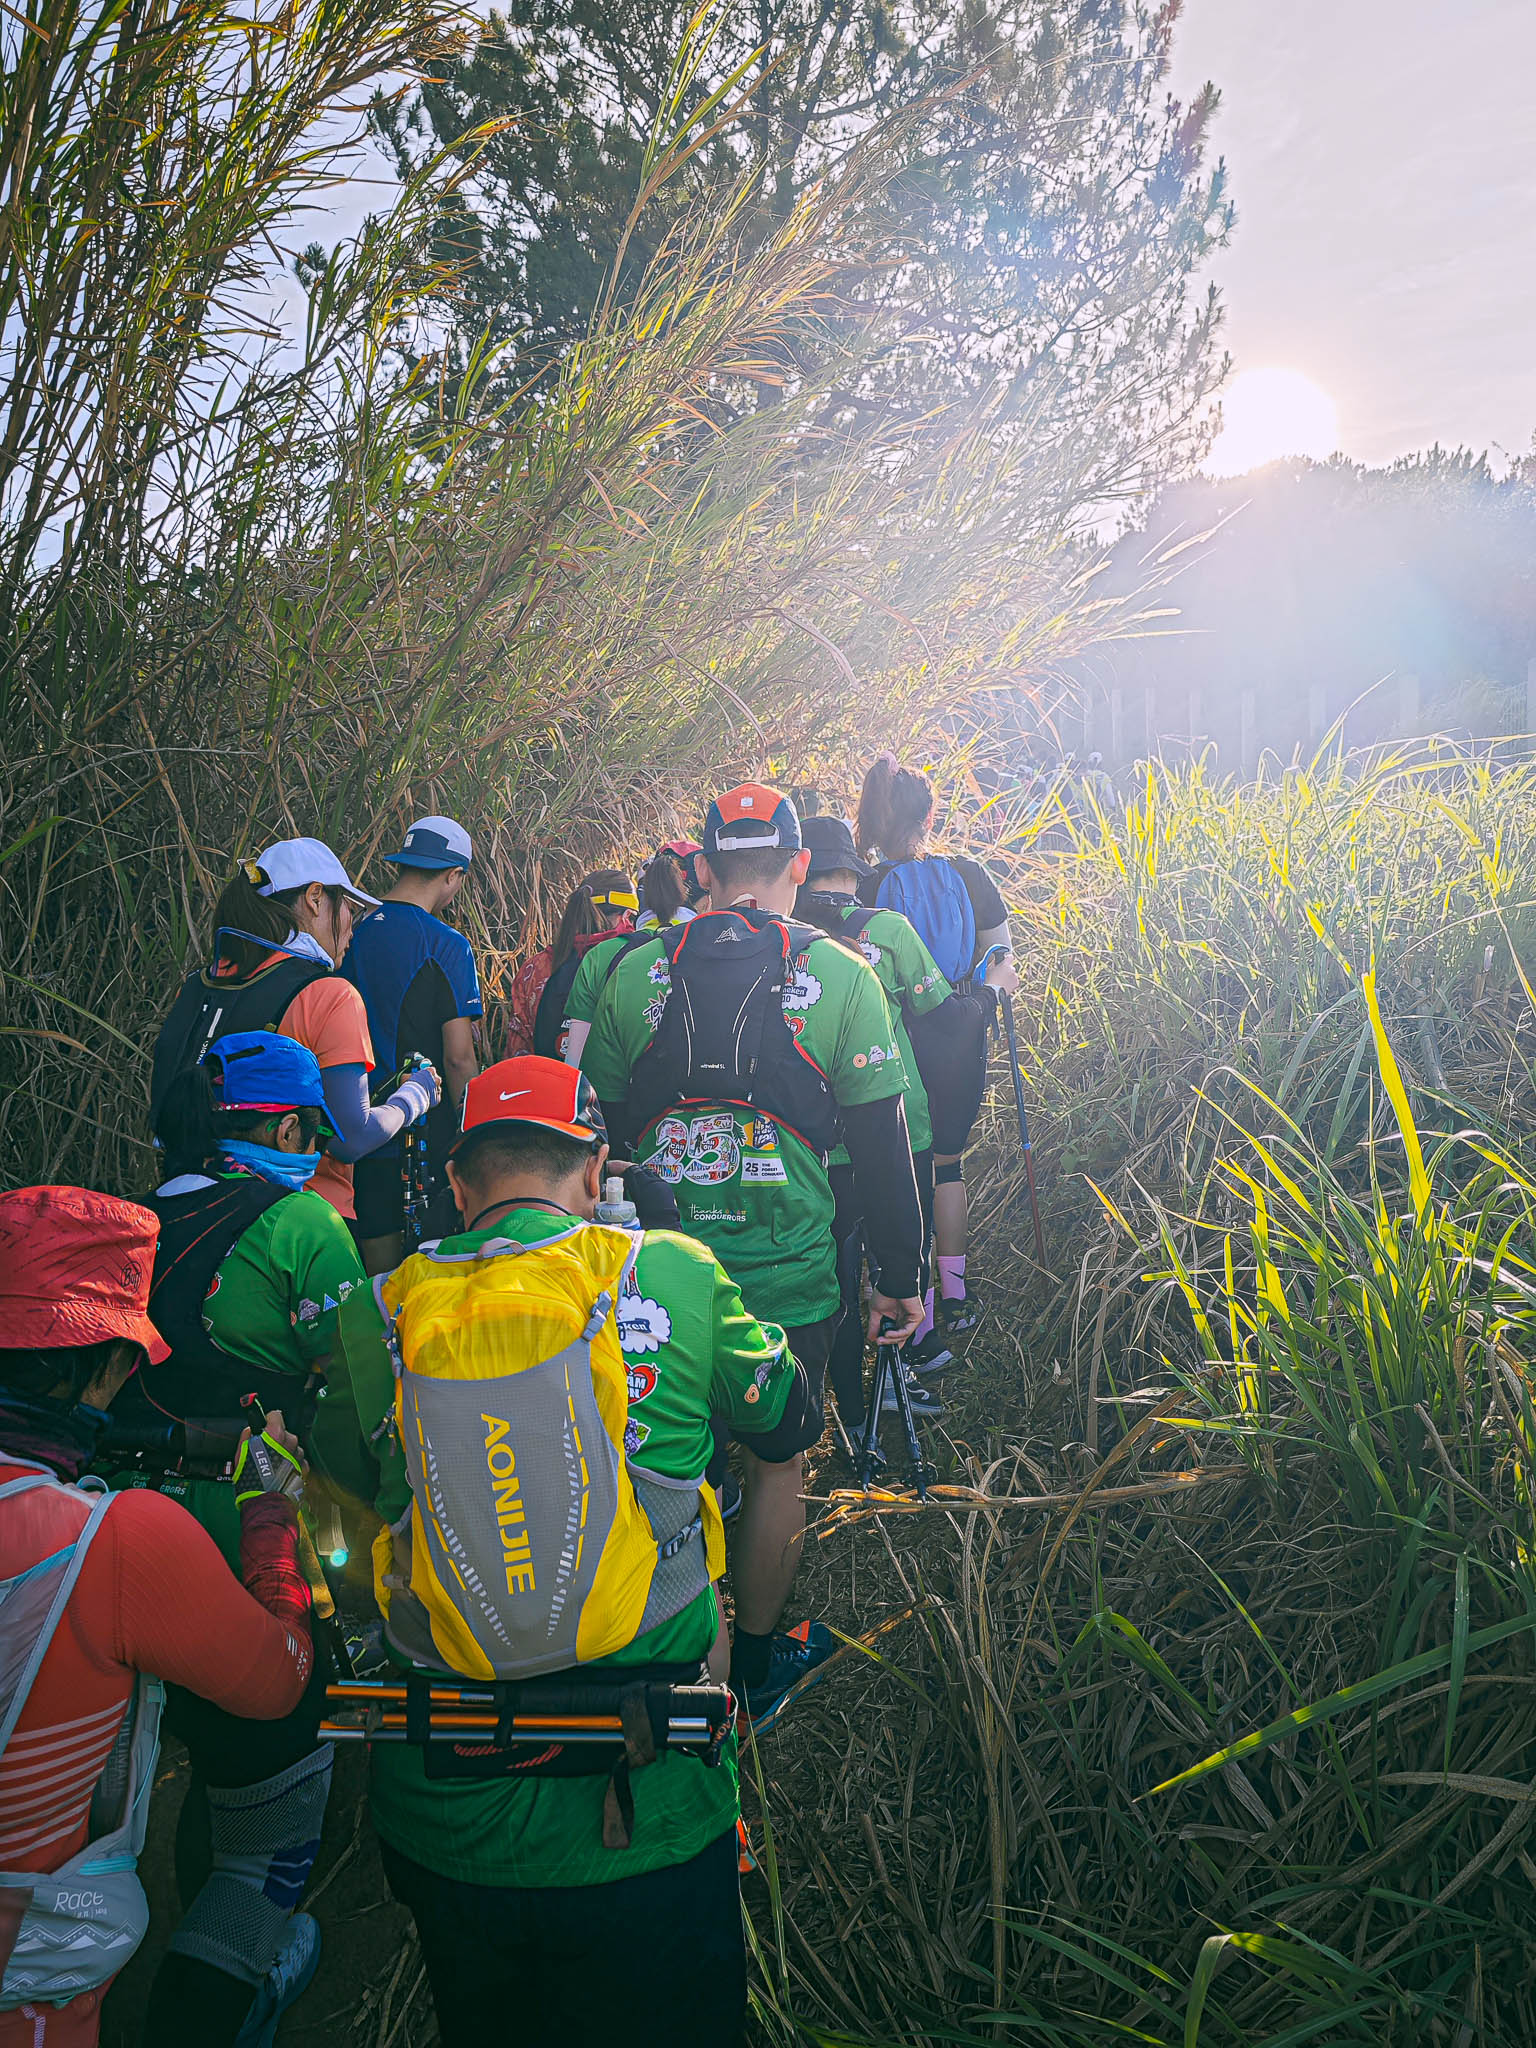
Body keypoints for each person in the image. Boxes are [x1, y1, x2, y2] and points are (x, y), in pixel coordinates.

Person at [309, 1059, 806, 2048]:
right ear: (597, 1169)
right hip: (654, 1799)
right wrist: (747, 1653)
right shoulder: (672, 1271)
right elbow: (789, 1429)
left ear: (458, 1184)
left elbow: (341, 1526)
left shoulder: (376, 1310)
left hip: (446, 1807)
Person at [581, 783, 924, 1725]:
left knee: (658, 1458)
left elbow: (596, 1127)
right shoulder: (844, 976)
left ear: (700, 866)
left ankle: (660, 1647)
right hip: (789, 1270)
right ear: (799, 867)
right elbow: (886, 1145)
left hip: (654, 1268)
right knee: (780, 1461)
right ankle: (761, 1666)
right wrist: (901, 1277)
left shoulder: (634, 973)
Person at [0, 1185, 316, 2047]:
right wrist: (270, 1521)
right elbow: (277, 1682)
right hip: (33, 1996)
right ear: (107, 1365)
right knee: (280, 1815)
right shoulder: (118, 1542)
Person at [150, 838, 440, 1223]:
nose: (352, 926)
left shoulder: (200, 986)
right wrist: (417, 1094)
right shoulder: (330, 995)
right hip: (299, 1221)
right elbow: (351, 1138)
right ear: (316, 898)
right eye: (350, 907)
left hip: (188, 1206)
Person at [794, 814, 975, 1419]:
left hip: (813, 1137)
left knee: (834, 1263)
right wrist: (989, 993)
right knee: (900, 1245)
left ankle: (834, 1387)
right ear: (852, 874)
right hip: (899, 1122)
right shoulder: (888, 930)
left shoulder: (783, 942)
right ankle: (906, 1359)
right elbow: (942, 1015)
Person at [857, 755, 1019, 1338]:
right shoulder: (970, 874)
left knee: (902, 1168)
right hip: (960, 1028)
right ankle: (954, 1295)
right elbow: (1001, 958)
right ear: (929, 816)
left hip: (891, 1036)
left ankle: (911, 1304)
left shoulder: (866, 885)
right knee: (947, 1164)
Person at [341, 816, 483, 1273]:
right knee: (433, 1279)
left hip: (351, 1130)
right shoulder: (447, 945)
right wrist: (475, 1136)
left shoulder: (350, 928)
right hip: (423, 1140)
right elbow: (459, 1058)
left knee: (377, 1283)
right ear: (453, 876)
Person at [560, 840, 706, 1070]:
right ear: (706, 895)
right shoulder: (720, 952)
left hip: (613, 1101)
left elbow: (574, 1067)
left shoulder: (600, 955)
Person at [502, 869, 638, 1060]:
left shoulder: (533, 969)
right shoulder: (629, 963)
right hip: (601, 1087)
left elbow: (518, 1050)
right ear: (623, 917)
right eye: (631, 917)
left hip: (543, 1084)